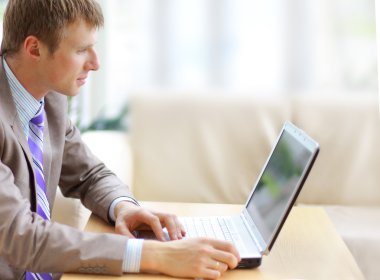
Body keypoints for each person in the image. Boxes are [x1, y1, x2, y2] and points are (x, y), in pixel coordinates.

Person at [0, 0, 240, 279]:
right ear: (34, 49)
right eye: (81, 50)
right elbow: (20, 236)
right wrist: (154, 254)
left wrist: (123, 207)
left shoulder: (49, 96)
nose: (95, 63)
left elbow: (88, 174)